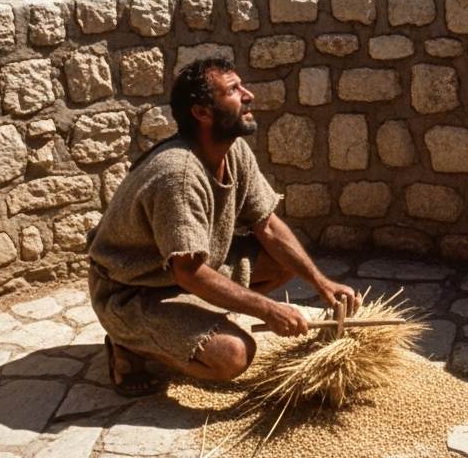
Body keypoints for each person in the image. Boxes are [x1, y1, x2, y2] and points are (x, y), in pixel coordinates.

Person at [86, 56, 358, 396]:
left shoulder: (234, 151)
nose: (248, 95)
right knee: (233, 355)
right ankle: (128, 344)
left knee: (281, 264)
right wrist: (269, 310)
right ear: (202, 112)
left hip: (177, 275)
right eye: (233, 90)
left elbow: (268, 227)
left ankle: (191, 319)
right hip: (130, 292)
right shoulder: (178, 176)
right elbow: (189, 273)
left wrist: (321, 283)